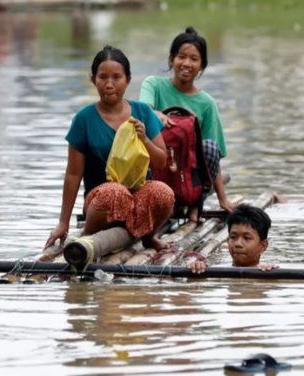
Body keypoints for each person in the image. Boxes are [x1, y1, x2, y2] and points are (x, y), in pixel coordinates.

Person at [44, 45, 175, 251]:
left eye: (117, 77)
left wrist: (144, 140)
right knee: (116, 193)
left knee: (163, 193)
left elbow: (161, 161)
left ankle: (148, 236)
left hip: (138, 198)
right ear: (93, 80)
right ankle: (89, 236)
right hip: (102, 203)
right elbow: (73, 174)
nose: (109, 84)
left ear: (128, 80)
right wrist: (63, 223)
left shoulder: (142, 112)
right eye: (103, 77)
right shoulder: (84, 119)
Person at [139, 26, 235, 222]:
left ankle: (194, 207)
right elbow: (142, 112)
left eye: (194, 59)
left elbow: (213, 158)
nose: (186, 63)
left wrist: (223, 199)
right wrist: (155, 113)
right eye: (181, 57)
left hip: (188, 178)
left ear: (202, 66)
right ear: (171, 59)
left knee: (208, 147)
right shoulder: (153, 85)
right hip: (156, 169)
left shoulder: (206, 104)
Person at [187, 204, 277, 274]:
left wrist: (271, 274)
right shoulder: (213, 271)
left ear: (263, 245)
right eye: (233, 237)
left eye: (247, 238)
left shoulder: (270, 272)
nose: (238, 244)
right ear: (227, 240)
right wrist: (196, 269)